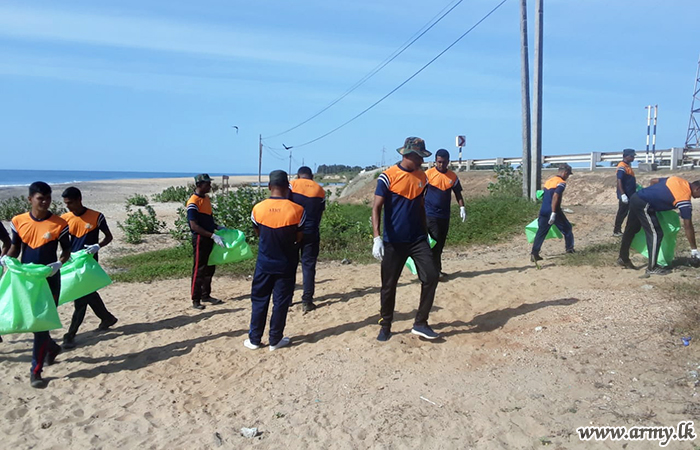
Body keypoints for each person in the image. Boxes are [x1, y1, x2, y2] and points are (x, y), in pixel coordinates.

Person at [372, 137, 440, 342]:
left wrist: (426, 233)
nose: (421, 161)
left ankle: (420, 323)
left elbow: (420, 206)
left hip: (417, 239)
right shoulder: (388, 177)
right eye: (419, 157)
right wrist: (377, 237)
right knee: (389, 285)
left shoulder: (423, 177)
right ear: (408, 155)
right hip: (394, 241)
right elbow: (376, 208)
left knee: (431, 275)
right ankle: (385, 324)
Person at [6, 182, 70, 388]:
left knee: (41, 325)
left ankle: (36, 371)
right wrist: (6, 260)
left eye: (48, 198)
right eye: (40, 198)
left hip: (49, 280)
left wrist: (59, 264)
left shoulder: (59, 223)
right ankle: (51, 349)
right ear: (30, 199)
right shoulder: (18, 221)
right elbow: (15, 247)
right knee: (33, 322)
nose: (45, 202)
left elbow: (66, 251)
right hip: (27, 280)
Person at [245, 170, 305, 351]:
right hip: (286, 263)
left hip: (264, 262)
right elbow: (299, 236)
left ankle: (255, 340)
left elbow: (258, 232)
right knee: (281, 302)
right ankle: (275, 339)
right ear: (287, 186)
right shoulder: (298, 210)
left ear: (269, 186)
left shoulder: (258, 209)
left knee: (259, 300)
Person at [60, 187, 118, 349]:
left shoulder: (96, 216)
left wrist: (97, 246)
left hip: (89, 263)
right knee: (88, 293)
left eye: (70, 203)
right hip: (72, 262)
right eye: (66, 203)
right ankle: (107, 318)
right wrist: (64, 252)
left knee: (80, 297)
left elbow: (109, 237)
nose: (68, 206)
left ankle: (70, 334)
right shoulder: (65, 219)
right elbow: (62, 240)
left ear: (79, 199)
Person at [618, 176, 700, 275]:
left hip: (637, 197)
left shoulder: (677, 180)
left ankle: (623, 258)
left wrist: (653, 195)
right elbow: (688, 225)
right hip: (645, 204)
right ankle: (652, 268)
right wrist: (694, 249)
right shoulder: (684, 198)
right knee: (656, 234)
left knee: (631, 229)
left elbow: (653, 181)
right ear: (697, 189)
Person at [424, 149, 466, 279]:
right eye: (439, 162)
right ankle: (432, 272)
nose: (441, 164)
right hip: (430, 214)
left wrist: (462, 207)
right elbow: (420, 193)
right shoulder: (428, 175)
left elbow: (458, 193)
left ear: (448, 161)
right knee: (434, 242)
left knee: (441, 243)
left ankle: (437, 269)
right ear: (436, 161)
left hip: (444, 215)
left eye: (443, 162)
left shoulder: (452, 177)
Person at [186, 174, 225, 310]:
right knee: (199, 268)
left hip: (209, 237)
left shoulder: (206, 199)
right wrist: (212, 235)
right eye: (206, 184)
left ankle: (206, 295)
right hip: (200, 239)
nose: (209, 186)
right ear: (198, 185)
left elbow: (208, 219)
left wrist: (217, 227)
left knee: (210, 267)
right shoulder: (193, 202)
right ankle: (195, 299)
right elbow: (194, 226)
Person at [290, 166, 326, 312]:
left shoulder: (291, 185)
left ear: (299, 176)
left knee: (290, 266)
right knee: (308, 266)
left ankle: (287, 299)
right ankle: (307, 301)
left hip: (292, 232)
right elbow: (320, 213)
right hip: (311, 232)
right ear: (311, 176)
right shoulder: (320, 190)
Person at [530, 164, 575, 262]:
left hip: (543, 210)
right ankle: (570, 249)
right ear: (565, 173)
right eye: (568, 175)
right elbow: (555, 196)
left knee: (541, 232)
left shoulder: (549, 181)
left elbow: (544, 195)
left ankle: (534, 253)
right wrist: (554, 212)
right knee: (567, 229)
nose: (567, 177)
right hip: (553, 211)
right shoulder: (561, 183)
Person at [613, 149, 637, 237]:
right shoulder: (622, 166)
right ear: (626, 156)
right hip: (625, 194)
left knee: (627, 212)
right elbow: (619, 180)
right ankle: (616, 230)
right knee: (622, 212)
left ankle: (621, 230)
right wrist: (623, 194)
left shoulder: (628, 166)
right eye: (632, 156)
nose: (633, 158)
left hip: (630, 194)